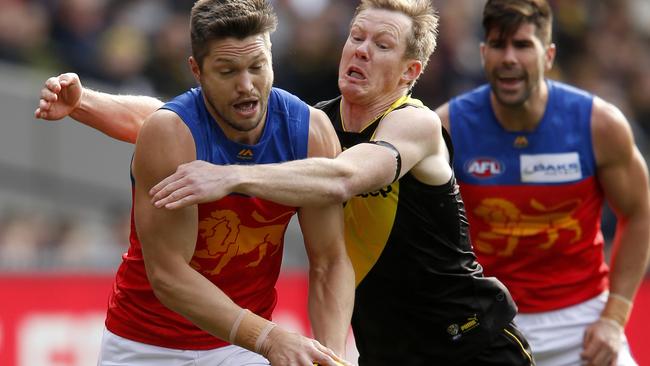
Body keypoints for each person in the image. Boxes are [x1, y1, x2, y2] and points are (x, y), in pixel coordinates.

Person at [37, 1, 534, 365]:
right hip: (385, 348)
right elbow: (172, 119)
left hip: (466, 341)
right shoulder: (315, 124)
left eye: (381, 46)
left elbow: (342, 178)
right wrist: (84, 104)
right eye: (356, 37)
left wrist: (230, 176)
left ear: (411, 72)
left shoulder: (414, 126)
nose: (361, 50)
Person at [36, 1, 355, 365]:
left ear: (271, 58)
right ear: (196, 70)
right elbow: (170, 276)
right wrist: (269, 338)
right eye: (227, 71)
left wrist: (333, 356)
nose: (247, 85)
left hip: (241, 346)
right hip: (147, 344)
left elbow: (329, 261)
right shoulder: (171, 134)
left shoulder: (310, 133)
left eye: (257, 66)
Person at [433, 1, 650, 365]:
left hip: (583, 326)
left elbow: (640, 212)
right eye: (498, 45)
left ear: (548, 55)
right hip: (487, 322)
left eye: (522, 45)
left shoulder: (600, 124)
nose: (509, 58)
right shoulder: (446, 129)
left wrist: (614, 318)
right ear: (483, 54)